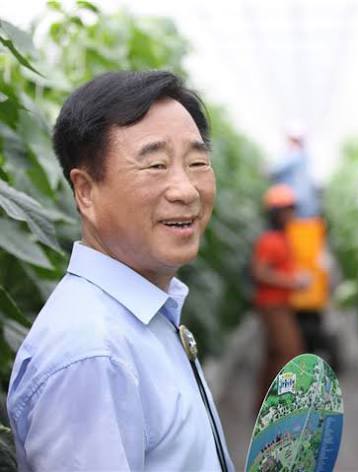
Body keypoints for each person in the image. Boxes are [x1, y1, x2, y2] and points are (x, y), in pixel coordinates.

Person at [7, 71, 234, 471]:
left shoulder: (143, 317)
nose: (186, 190)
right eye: (156, 165)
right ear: (86, 191)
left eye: (197, 162)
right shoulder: (93, 354)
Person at [251, 184, 309, 410]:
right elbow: (259, 272)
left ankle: (263, 407)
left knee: (275, 355)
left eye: (291, 209)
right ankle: (283, 407)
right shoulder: (270, 240)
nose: (290, 214)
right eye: (286, 210)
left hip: (280, 304)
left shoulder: (282, 238)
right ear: (275, 214)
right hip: (272, 305)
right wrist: (293, 282)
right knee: (290, 354)